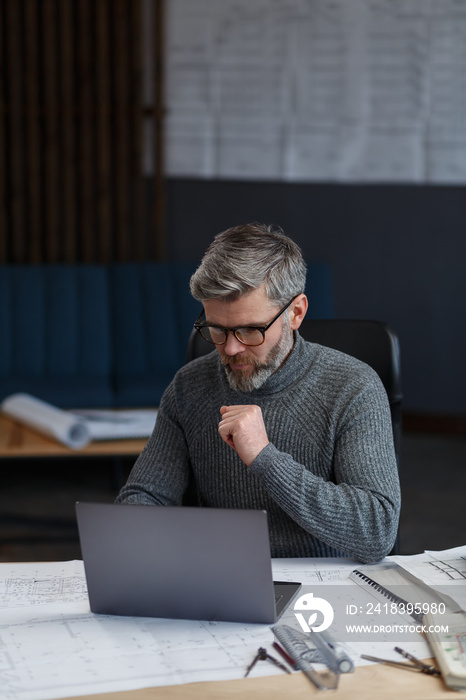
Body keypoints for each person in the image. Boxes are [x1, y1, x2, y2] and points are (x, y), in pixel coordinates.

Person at [116, 223, 400, 563]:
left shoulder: (353, 388)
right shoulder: (189, 386)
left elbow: (377, 533)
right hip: (222, 578)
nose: (232, 348)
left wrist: (265, 458)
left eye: (250, 330)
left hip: (325, 589)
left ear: (295, 313)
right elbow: (145, 495)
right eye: (216, 329)